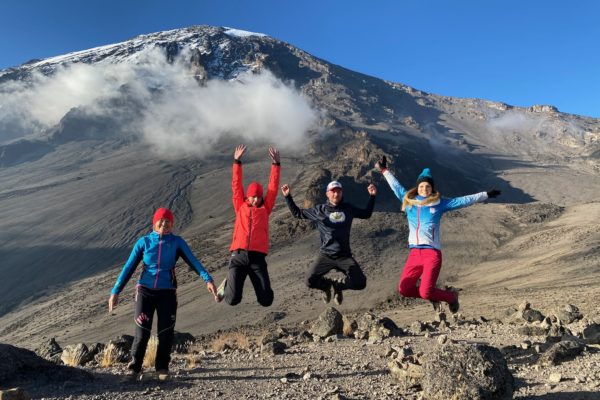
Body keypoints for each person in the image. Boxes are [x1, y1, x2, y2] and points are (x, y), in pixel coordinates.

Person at [376, 156, 501, 313]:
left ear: (432, 189)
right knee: (404, 289)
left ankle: (451, 297)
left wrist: (485, 195)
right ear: (417, 187)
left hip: (431, 253)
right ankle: (434, 294)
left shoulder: (439, 203)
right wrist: (384, 170)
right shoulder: (408, 201)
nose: (424, 189)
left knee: (425, 292)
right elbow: (396, 186)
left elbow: (463, 200)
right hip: (414, 253)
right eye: (422, 186)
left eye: (428, 187)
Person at [108, 207, 218, 380]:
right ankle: (134, 369)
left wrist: (208, 280)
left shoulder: (177, 242)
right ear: (154, 222)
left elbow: (193, 261)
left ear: (172, 225)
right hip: (145, 291)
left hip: (167, 292)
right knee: (142, 332)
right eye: (161, 221)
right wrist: (116, 291)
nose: (164, 224)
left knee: (165, 332)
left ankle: (162, 369)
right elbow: (128, 267)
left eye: (168, 222)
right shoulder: (143, 242)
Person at [281, 180, 377, 305]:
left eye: (338, 191)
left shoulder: (348, 209)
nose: (336, 194)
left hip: (344, 256)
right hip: (326, 255)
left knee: (360, 282)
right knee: (309, 281)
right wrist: (288, 196)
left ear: (342, 193)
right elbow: (298, 213)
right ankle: (326, 286)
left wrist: (372, 196)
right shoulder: (320, 210)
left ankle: (339, 286)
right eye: (333, 192)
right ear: (327, 194)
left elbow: (366, 214)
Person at [216, 144, 281, 307]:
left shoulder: (266, 208)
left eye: (258, 197)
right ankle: (227, 283)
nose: (255, 200)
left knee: (266, 300)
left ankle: (258, 287)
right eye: (252, 197)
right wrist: (236, 161)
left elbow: (272, 188)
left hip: (257, 258)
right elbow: (236, 185)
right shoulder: (240, 206)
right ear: (248, 196)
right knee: (232, 300)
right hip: (238, 256)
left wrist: (276, 165)